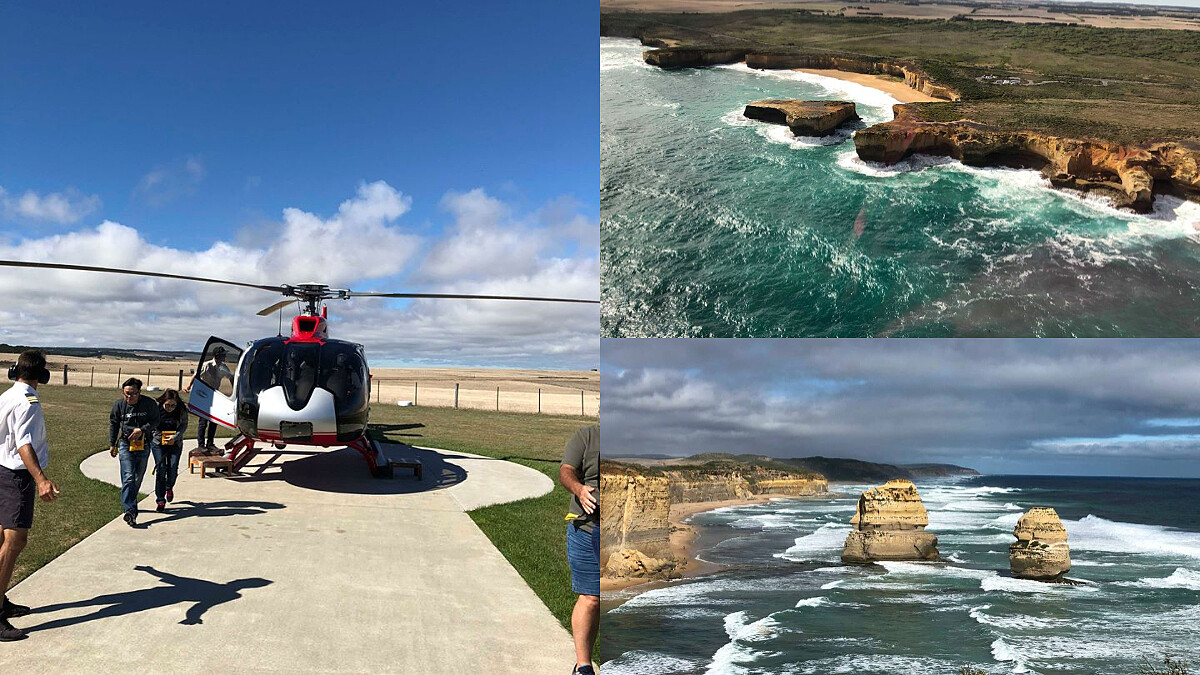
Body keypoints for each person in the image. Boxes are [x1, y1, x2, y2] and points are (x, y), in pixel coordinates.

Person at [0, 350, 60, 642]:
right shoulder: (29, 402)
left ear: (15, 371)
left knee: (1, 539)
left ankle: (1, 599)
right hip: (16, 477)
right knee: (15, 542)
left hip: (1, 472)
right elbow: (23, 443)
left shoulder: (6, 395)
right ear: (42, 375)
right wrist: (41, 479)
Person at [559, 424, 599, 675]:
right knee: (591, 597)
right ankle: (583, 666)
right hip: (586, 529)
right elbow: (565, 471)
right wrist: (579, 489)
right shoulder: (586, 436)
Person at [109, 378, 159, 527]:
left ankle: (130, 502)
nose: (129, 397)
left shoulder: (149, 404)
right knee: (128, 477)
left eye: (132, 394)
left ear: (139, 392)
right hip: (125, 445)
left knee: (137, 479)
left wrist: (142, 429)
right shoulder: (119, 405)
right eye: (126, 394)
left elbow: (156, 421)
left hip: (144, 444)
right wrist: (112, 444)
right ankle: (130, 511)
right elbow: (114, 423)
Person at [184, 346, 233, 452]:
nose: (224, 357)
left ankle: (210, 444)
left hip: (216, 395)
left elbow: (231, 377)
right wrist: (188, 386)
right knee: (203, 421)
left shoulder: (223, 367)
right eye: (223, 355)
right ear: (217, 356)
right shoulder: (207, 365)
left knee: (214, 421)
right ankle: (201, 445)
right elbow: (196, 375)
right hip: (204, 395)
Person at [151, 389, 188, 513]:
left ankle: (169, 486)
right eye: (167, 405)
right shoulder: (156, 408)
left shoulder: (181, 409)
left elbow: (184, 424)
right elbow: (151, 423)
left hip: (175, 443)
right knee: (161, 469)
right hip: (158, 443)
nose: (170, 408)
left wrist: (176, 436)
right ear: (163, 402)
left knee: (172, 468)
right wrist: (158, 434)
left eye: (173, 405)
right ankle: (160, 499)